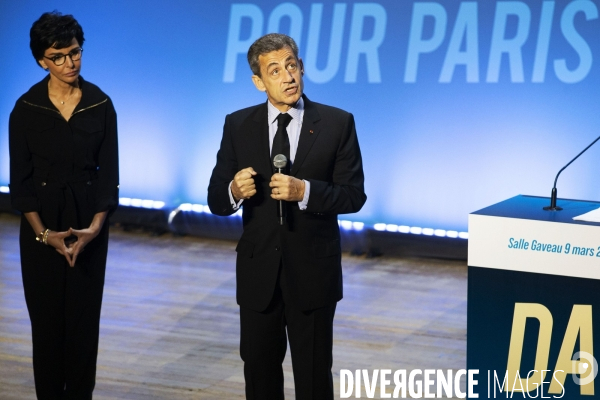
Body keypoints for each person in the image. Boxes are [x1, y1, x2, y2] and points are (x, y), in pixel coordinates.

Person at [208, 33, 366, 399]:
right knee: (259, 377)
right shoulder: (237, 125)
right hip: (258, 274)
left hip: (313, 274)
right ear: (259, 82)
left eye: (292, 66)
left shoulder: (337, 123)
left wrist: (305, 192)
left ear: (302, 68)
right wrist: (234, 190)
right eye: (275, 70)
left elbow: (353, 195)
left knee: (312, 378)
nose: (288, 77)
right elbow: (216, 199)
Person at [9, 11, 119, 399]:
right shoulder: (26, 109)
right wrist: (43, 234)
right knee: (48, 326)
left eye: (75, 52)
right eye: (59, 56)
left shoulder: (100, 104)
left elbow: (109, 177)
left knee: (84, 325)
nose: (70, 63)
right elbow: (20, 183)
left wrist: (93, 229)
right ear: (42, 60)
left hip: (89, 225)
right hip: (42, 228)